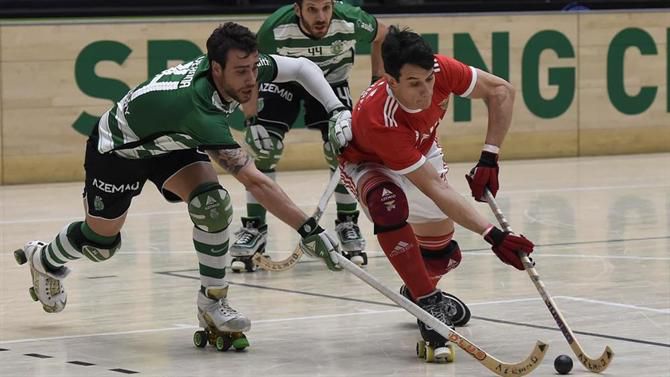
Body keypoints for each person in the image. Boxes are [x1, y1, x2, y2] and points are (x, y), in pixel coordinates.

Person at [13, 22, 344, 351]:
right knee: (100, 245)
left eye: (254, 68)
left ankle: (213, 303)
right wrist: (309, 229)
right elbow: (255, 181)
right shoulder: (198, 111)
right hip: (118, 149)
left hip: (172, 142)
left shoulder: (238, 70)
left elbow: (302, 67)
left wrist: (338, 111)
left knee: (212, 204)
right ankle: (43, 259)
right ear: (216, 68)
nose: (252, 80)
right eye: (241, 71)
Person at [330, 26, 535, 361]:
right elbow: (437, 189)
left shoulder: (440, 70)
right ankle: (428, 302)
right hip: (369, 164)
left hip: (421, 152)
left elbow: (501, 91)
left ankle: (417, 288)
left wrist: (490, 157)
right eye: (413, 84)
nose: (425, 91)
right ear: (390, 80)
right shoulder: (378, 119)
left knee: (443, 256)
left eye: (428, 80)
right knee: (388, 205)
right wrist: (493, 234)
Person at [229, 0, 388, 271]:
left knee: (344, 145)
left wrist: (377, 85)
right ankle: (255, 228)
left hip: (330, 82)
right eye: (312, 9)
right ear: (297, 9)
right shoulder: (274, 29)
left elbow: (384, 35)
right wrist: (251, 118)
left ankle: (348, 223)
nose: (321, 16)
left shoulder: (350, 19)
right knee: (262, 147)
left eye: (326, 8)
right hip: (285, 81)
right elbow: (250, 69)